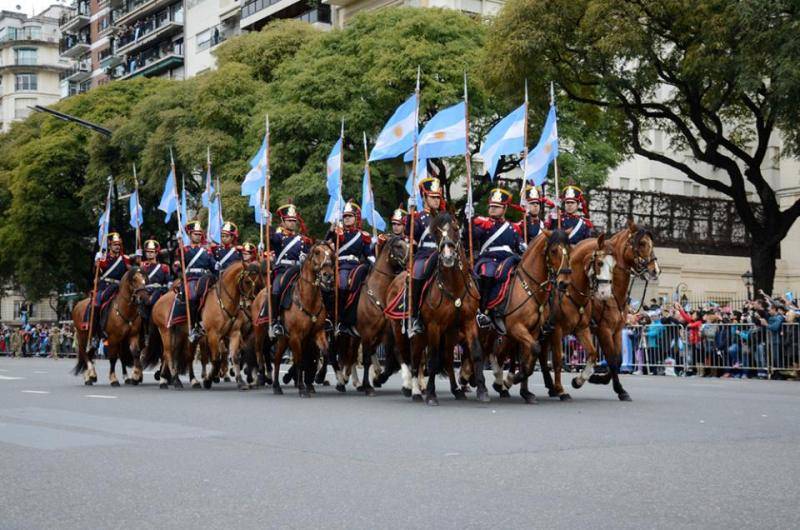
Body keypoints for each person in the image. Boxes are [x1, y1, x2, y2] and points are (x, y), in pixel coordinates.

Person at [471, 188, 525, 328]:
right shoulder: (483, 224)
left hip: (509, 260)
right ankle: (482, 311)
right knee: (487, 272)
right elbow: (471, 236)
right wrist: (468, 221)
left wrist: (525, 248)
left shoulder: (512, 228)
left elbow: (519, 245)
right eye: (491, 206)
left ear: (505, 208)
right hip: (489, 259)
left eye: (496, 207)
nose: (492, 209)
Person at [326, 200, 373, 336]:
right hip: (342, 266)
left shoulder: (362, 236)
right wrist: (331, 231)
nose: (346, 219)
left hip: (357, 267)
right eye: (345, 216)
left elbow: (367, 253)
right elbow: (326, 241)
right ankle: (339, 318)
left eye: (349, 216)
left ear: (356, 218)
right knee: (342, 286)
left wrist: (374, 263)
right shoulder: (338, 232)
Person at [407, 177, 446, 337]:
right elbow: (411, 233)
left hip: (443, 255)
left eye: (438, 197)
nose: (436, 200)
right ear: (424, 197)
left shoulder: (444, 218)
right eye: (432, 197)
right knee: (417, 275)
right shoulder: (418, 217)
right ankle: (415, 315)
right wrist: (410, 214)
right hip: (424, 255)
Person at [267, 204, 312, 337]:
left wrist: (305, 256)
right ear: (283, 221)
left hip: (298, 271)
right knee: (276, 289)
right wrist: (268, 225)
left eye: (293, 221)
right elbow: (270, 239)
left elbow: (307, 254)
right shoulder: (279, 237)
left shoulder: (301, 239)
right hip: (282, 270)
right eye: (289, 221)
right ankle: (275, 321)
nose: (292, 223)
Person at [87, 232, 132, 350]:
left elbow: (130, 273)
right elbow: (95, 272)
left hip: (119, 287)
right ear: (109, 245)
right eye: (114, 244)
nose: (117, 247)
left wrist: (135, 262)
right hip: (105, 286)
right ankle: (95, 333)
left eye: (118, 244)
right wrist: (96, 264)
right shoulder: (103, 258)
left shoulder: (125, 258)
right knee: (96, 304)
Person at [176, 220, 216, 342]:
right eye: (195, 234)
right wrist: (179, 246)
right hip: (191, 278)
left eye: (199, 234)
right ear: (189, 235)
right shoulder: (185, 250)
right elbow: (180, 263)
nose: (198, 236)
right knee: (193, 296)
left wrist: (219, 266)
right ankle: (194, 326)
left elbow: (212, 264)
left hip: (205, 278)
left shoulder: (207, 251)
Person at [140, 239, 171, 322]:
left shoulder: (163, 267)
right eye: (148, 251)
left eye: (152, 251)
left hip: (158, 292)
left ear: (156, 253)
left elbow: (168, 282)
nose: (149, 253)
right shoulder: (142, 266)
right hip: (144, 291)